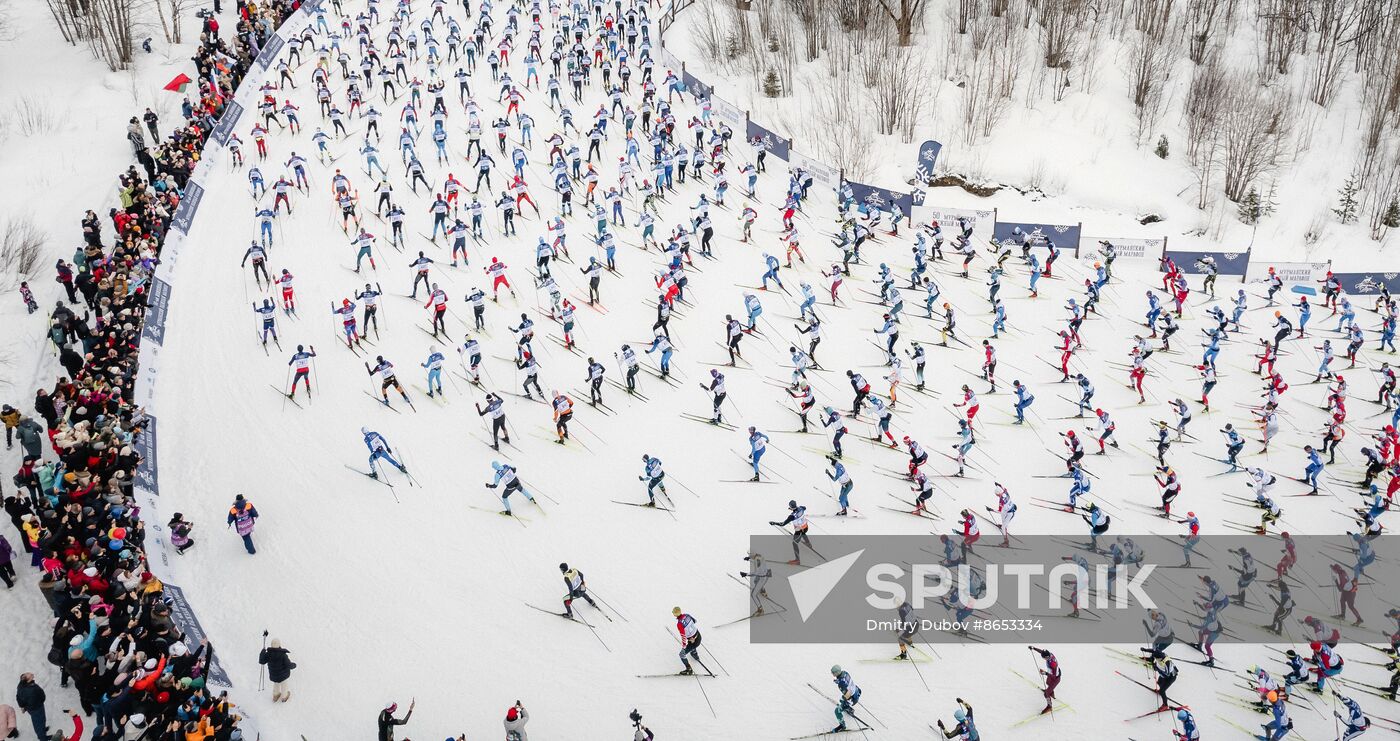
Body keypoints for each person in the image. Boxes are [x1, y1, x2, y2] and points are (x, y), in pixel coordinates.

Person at [259, 638, 296, 703]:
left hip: (274, 675)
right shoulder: (283, 655)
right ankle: (284, 696)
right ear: (279, 645)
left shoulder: (268, 654)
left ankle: (275, 695)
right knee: (284, 685)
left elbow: (262, 661)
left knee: (276, 684)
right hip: (283, 675)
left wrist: (262, 652)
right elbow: (288, 665)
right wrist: (294, 665)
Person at [15, 674, 45, 740]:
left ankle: (42, 731)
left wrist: (23, 706)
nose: (32, 674)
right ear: (27, 679)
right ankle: (42, 737)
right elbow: (42, 696)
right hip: (37, 708)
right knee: (40, 722)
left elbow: (18, 697)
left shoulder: (20, 685)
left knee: (38, 722)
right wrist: (41, 701)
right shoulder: (32, 688)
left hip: (31, 708)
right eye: (29, 675)